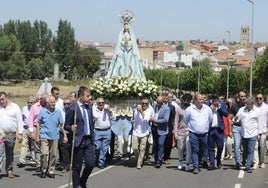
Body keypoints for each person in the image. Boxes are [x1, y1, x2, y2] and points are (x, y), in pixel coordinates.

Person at [64, 86, 95, 188]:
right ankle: (76, 186)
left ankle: (83, 181)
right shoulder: (72, 108)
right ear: (81, 96)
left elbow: (90, 124)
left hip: (88, 140)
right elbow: (66, 125)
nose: (89, 97)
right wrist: (71, 127)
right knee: (77, 167)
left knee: (90, 164)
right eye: (87, 96)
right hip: (78, 141)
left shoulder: (89, 108)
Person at [183, 93, 213, 174]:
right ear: (195, 100)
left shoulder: (207, 109)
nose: (201, 101)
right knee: (195, 150)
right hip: (193, 133)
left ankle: (198, 163)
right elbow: (186, 120)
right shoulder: (189, 109)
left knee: (202, 150)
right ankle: (196, 167)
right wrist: (191, 127)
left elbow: (210, 120)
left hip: (204, 134)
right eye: (199, 99)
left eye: (202, 99)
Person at [36, 95, 64, 178]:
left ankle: (51, 170)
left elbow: (61, 124)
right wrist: (37, 135)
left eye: (54, 102)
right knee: (44, 153)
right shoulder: (43, 111)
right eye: (51, 102)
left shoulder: (58, 112)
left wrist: (64, 135)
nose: (53, 104)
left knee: (53, 155)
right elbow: (38, 124)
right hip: (44, 135)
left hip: (54, 136)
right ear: (47, 103)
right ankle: (43, 169)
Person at [0, 92, 24, 178]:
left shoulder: (15, 107)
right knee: (0, 152)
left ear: (6, 98)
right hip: (1, 135)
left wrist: (20, 133)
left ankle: (9, 170)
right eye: (0, 100)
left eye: (2, 99)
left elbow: (20, 120)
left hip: (11, 134)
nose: (1, 101)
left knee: (9, 153)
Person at [236, 98, 261, 173]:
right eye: (247, 104)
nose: (248, 105)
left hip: (253, 133)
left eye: (249, 104)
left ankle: (248, 165)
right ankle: (245, 161)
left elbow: (259, 123)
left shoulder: (257, 111)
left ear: (253, 104)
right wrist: (236, 118)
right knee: (245, 150)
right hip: (244, 133)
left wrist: (259, 133)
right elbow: (237, 118)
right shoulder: (242, 109)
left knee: (251, 150)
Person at [207, 94, 228, 170]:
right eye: (213, 100)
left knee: (220, 146)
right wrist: (209, 109)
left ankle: (218, 158)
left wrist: (219, 107)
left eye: (216, 100)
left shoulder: (222, 104)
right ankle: (212, 163)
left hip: (219, 129)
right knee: (211, 147)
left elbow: (226, 114)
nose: (215, 101)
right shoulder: (207, 104)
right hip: (211, 129)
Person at [131, 98, 154, 169]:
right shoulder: (136, 110)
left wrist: (141, 111)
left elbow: (145, 120)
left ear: (148, 104)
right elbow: (135, 119)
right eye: (143, 103)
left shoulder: (149, 111)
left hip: (144, 132)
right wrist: (133, 121)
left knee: (142, 148)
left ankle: (139, 163)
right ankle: (139, 158)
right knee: (134, 148)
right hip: (136, 131)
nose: (144, 105)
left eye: (146, 104)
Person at [29, 93, 48, 171]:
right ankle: (38, 164)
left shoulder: (49, 106)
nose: (46, 101)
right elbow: (30, 119)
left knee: (45, 148)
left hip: (45, 128)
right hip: (36, 127)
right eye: (44, 100)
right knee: (37, 147)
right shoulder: (34, 107)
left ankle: (45, 165)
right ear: (41, 99)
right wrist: (31, 132)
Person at [93, 98, 114, 169]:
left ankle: (101, 162)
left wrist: (110, 111)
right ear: (97, 104)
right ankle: (97, 159)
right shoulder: (94, 110)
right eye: (99, 103)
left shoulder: (107, 110)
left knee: (104, 148)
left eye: (103, 103)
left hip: (107, 131)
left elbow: (113, 118)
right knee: (97, 147)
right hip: (98, 131)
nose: (101, 104)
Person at [173, 93, 192, 171]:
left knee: (188, 149)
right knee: (180, 147)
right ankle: (180, 161)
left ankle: (187, 164)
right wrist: (175, 132)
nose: (186, 102)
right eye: (185, 100)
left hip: (190, 131)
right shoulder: (179, 109)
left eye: (188, 100)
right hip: (180, 131)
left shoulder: (192, 108)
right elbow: (176, 121)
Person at [228, 91, 247, 170]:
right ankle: (238, 163)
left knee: (245, 146)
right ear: (238, 97)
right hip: (236, 128)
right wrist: (230, 130)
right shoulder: (234, 106)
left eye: (244, 96)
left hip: (246, 128)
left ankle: (244, 160)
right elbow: (229, 118)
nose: (243, 98)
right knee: (237, 146)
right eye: (241, 96)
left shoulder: (248, 106)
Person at [150, 95, 170, 168]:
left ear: (162, 102)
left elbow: (165, 120)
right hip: (154, 128)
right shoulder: (154, 106)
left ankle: (159, 160)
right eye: (157, 102)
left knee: (160, 144)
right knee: (155, 145)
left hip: (162, 130)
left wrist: (155, 120)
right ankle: (156, 159)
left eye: (160, 103)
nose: (158, 104)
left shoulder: (166, 108)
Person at [17, 96, 36, 168]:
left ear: (34, 102)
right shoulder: (24, 108)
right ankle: (22, 161)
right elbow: (21, 119)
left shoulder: (36, 109)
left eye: (31, 102)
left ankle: (34, 160)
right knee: (23, 144)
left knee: (33, 146)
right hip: (25, 128)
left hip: (33, 128)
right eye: (28, 102)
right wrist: (20, 131)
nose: (29, 104)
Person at [254, 93, 268, 168]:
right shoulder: (254, 107)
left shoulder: (267, 107)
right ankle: (256, 161)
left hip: (264, 130)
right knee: (255, 147)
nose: (258, 99)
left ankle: (261, 162)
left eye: (260, 98)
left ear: (263, 99)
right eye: (257, 98)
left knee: (262, 146)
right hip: (255, 131)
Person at [58, 97, 71, 173]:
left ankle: (70, 163)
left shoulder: (73, 111)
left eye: (68, 104)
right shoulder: (61, 111)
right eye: (64, 104)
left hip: (71, 132)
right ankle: (65, 165)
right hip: (62, 132)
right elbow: (60, 123)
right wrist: (63, 131)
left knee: (70, 149)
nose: (66, 105)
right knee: (63, 149)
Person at [163, 93, 175, 165]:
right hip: (160, 127)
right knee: (160, 143)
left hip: (169, 127)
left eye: (166, 98)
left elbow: (173, 118)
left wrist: (173, 128)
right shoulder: (157, 106)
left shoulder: (172, 107)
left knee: (168, 143)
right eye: (164, 98)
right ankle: (159, 157)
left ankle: (166, 157)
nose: (165, 100)